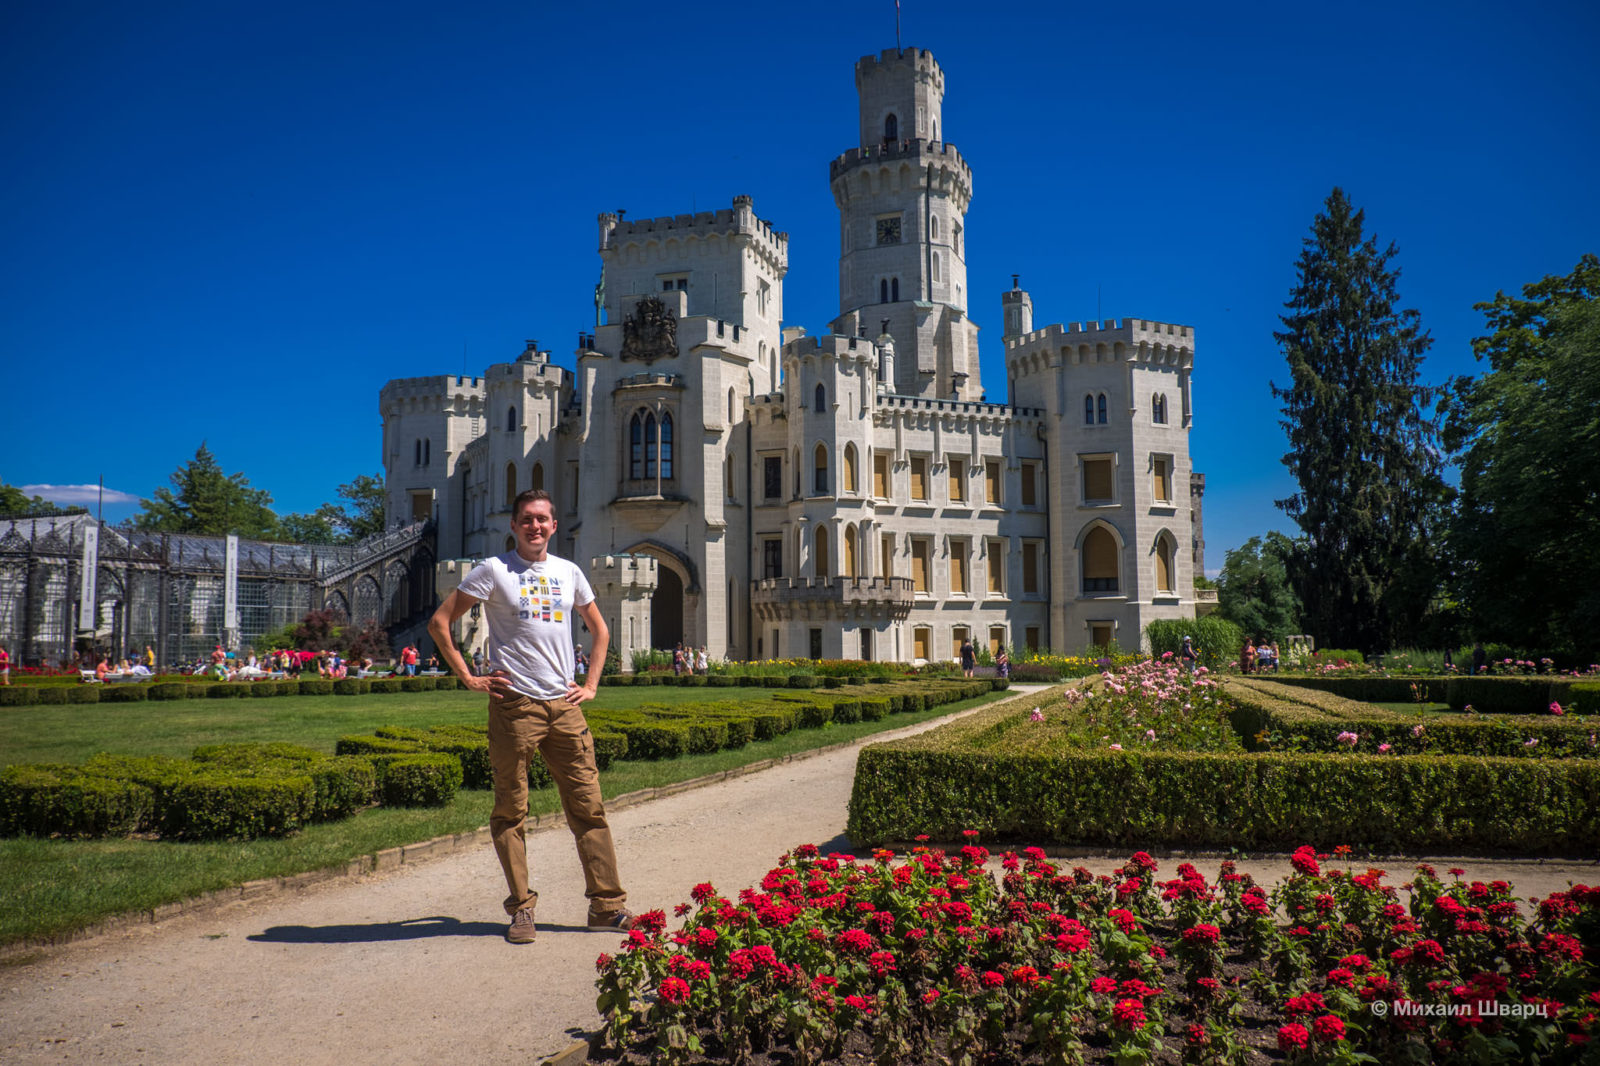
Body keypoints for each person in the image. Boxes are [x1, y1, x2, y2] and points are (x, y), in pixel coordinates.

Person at [428, 488, 633, 945]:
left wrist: (592, 684)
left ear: (553, 526)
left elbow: (600, 629)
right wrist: (469, 676)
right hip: (514, 705)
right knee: (511, 812)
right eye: (526, 519)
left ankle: (607, 906)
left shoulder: (570, 571)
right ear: (514, 525)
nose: (535, 526)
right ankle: (521, 909)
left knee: (590, 809)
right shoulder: (494, 570)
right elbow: (440, 622)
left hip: (565, 706)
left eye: (542, 519)